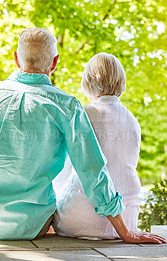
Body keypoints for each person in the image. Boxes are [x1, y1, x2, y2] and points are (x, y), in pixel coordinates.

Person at [0, 27, 167, 244]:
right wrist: (125, 231)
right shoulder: (66, 105)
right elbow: (92, 170)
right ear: (54, 62)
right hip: (28, 225)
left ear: (17, 59)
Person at [52, 53, 142, 239]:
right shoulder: (132, 120)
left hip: (79, 220)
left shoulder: (83, 114)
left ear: (88, 81)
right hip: (127, 218)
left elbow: (63, 172)